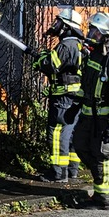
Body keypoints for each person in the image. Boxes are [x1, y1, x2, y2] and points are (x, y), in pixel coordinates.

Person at [72, 11, 109, 210]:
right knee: (81, 146)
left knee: (103, 155)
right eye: (90, 29)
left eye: (95, 31)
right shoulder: (96, 55)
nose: (90, 33)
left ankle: (104, 199)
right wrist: (75, 106)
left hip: (108, 118)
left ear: (106, 35)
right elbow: (86, 85)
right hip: (90, 116)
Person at [31, 9, 87, 183]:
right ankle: (72, 171)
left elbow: (50, 66)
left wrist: (39, 60)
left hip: (63, 99)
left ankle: (58, 173)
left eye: (59, 22)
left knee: (56, 134)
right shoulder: (78, 45)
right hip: (75, 97)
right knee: (71, 134)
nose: (55, 25)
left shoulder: (66, 45)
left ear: (67, 26)